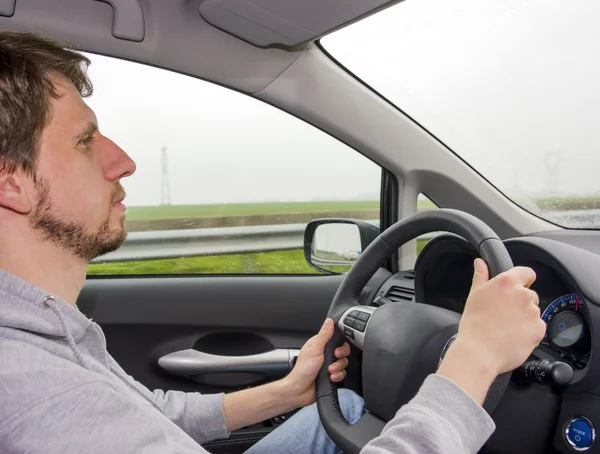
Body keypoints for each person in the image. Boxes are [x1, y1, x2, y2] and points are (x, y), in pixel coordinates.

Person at [0, 30, 546, 454]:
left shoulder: (46, 330)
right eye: (84, 141)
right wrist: (473, 358)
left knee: (346, 411)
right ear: (11, 181)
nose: (123, 161)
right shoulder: (34, 390)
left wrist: (284, 392)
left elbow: (141, 415)